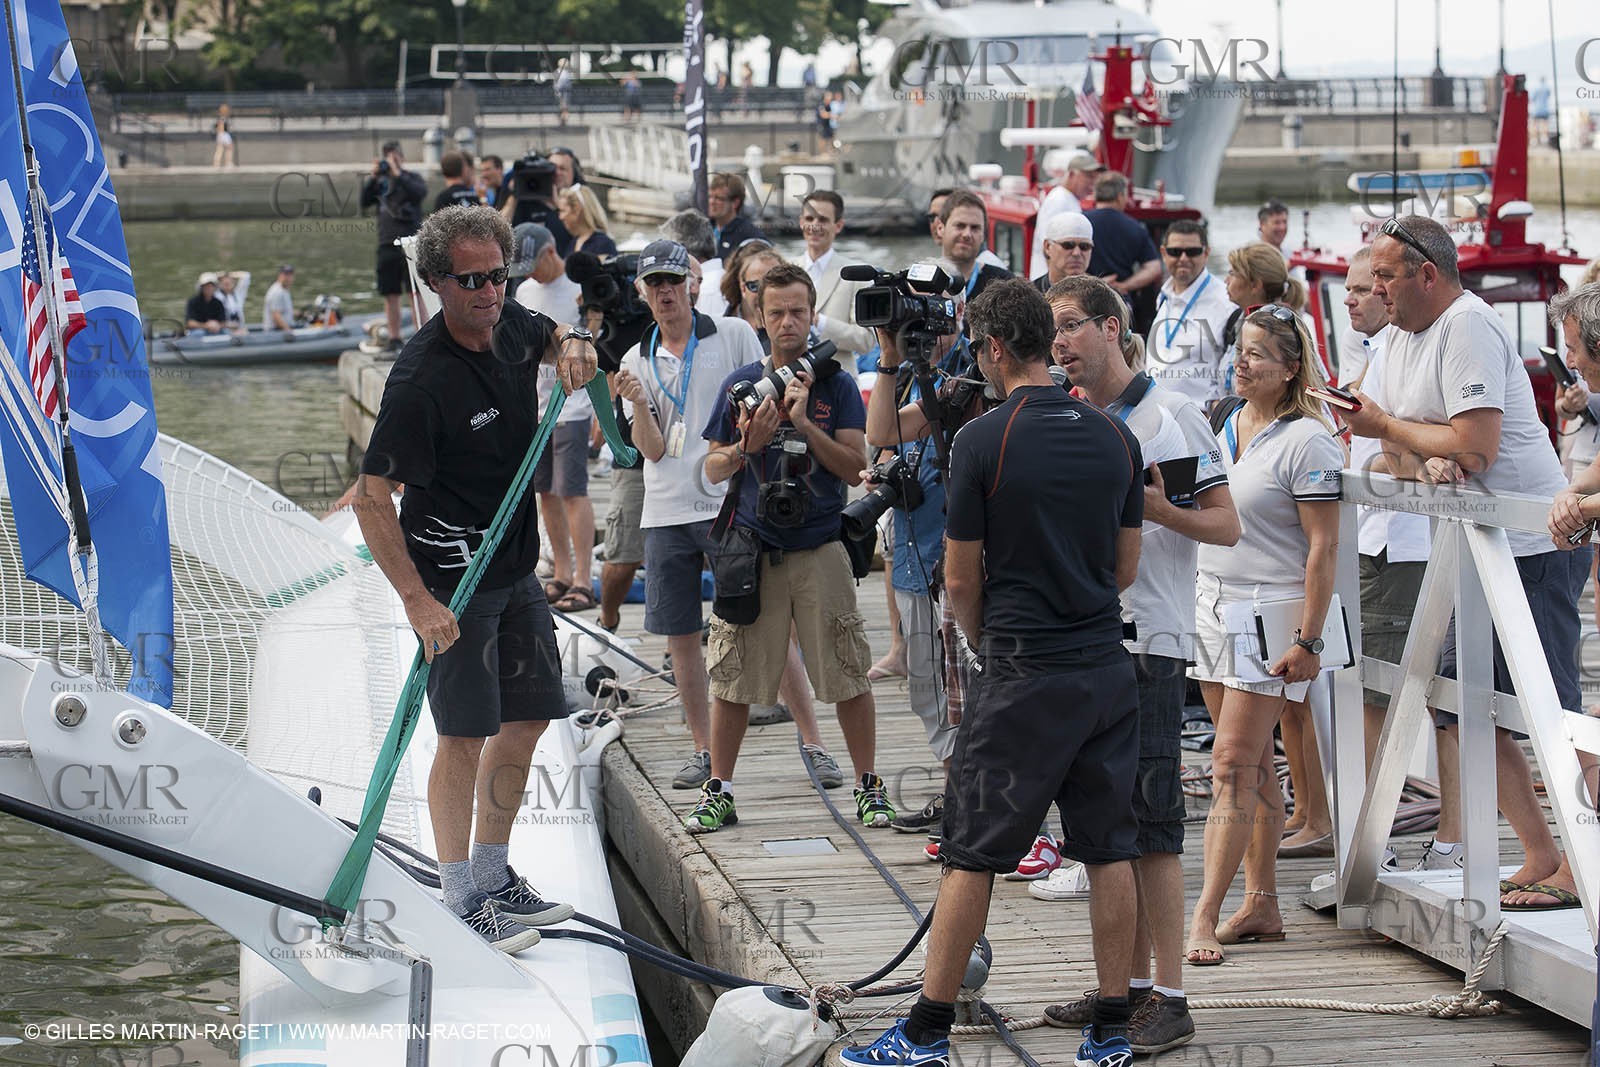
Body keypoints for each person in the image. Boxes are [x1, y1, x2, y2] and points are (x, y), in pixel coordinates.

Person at [841, 279, 1146, 1067]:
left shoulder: (982, 440)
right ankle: (1111, 1027)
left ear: (996, 348)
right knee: (1109, 849)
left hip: (1022, 669)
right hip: (1105, 668)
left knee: (971, 850)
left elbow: (963, 578)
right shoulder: (1116, 437)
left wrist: (984, 642)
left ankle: (926, 1030)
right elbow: (1126, 567)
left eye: (977, 348)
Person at [354, 204, 598, 952]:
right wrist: (418, 601)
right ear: (435, 284)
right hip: (454, 584)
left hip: (518, 567)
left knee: (525, 719)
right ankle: (458, 897)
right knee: (462, 737)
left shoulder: (512, 321)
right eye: (472, 280)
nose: (490, 290)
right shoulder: (421, 381)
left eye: (498, 274)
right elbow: (370, 498)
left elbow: (553, 334)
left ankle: (494, 875)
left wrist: (575, 342)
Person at [1344, 215, 1587, 912]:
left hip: (1535, 545)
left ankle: (1582, 858)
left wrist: (1395, 430)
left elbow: (1472, 446)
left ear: (1428, 273)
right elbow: (1396, 460)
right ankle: (1542, 853)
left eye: (1387, 275)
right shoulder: (1392, 339)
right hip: (1477, 548)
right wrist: (1415, 446)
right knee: (1458, 705)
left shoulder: (1468, 324)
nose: (1376, 290)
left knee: (1553, 713)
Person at [1041, 275, 1239, 1055]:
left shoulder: (1172, 415)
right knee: (1099, 819)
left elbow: (1224, 525)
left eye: (1069, 327)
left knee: (1154, 823)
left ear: (1112, 326)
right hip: (1086, 640)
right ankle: (1118, 984)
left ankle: (1173, 995)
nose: (1059, 344)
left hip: (1151, 642)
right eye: (1051, 332)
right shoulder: (1070, 414)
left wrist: (1157, 510)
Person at [695, 262, 890, 834]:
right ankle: (720, 790)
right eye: (776, 311)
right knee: (732, 677)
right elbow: (709, 469)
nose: (787, 321)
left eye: (798, 311)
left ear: (812, 314)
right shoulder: (739, 386)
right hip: (752, 550)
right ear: (758, 315)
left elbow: (858, 468)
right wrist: (744, 445)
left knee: (849, 670)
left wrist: (805, 425)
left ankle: (867, 786)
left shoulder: (836, 385)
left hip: (819, 545)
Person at [1184, 304, 1343, 967]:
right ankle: (1263, 901)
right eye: (1239, 351)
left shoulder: (1310, 439)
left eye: (1257, 354)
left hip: (1268, 612)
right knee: (1251, 770)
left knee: (1229, 765)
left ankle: (1202, 915)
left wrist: (1308, 640)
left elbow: (1323, 547)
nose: (1241, 362)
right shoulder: (1225, 421)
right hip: (1212, 601)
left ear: (1289, 367)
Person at [613, 241, 767, 790]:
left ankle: (813, 742)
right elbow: (651, 451)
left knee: (767, 620)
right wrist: (635, 402)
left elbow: (763, 407)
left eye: (673, 281)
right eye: (654, 283)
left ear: (692, 283)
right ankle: (703, 749)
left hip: (730, 502)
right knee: (680, 635)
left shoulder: (733, 334)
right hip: (665, 511)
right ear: (641, 291)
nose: (665, 292)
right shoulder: (636, 358)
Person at [863, 290, 973, 840]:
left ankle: (970, 802)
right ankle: (958, 795)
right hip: (913, 555)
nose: (926, 330)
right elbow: (883, 436)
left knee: (962, 687)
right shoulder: (913, 374)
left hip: (955, 563)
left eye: (937, 316)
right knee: (928, 688)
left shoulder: (972, 380)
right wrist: (888, 358)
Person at [512, 224, 597, 614]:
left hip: (575, 407)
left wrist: (601, 411)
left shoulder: (576, 290)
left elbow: (598, 346)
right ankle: (561, 571)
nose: (530, 274)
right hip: (537, 410)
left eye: (534, 264)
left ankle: (583, 576)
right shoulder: (526, 291)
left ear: (551, 253)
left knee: (573, 492)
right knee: (545, 491)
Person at [1145, 220, 1237, 411]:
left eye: (1192, 252)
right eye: (1175, 252)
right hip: (1156, 412)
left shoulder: (1226, 303)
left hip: (1200, 417)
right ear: (1163, 253)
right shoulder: (1163, 296)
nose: (1183, 258)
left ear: (1206, 253)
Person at [795, 191, 875, 377]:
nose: (814, 225)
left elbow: (866, 341)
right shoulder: (784, 268)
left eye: (822, 219)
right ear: (801, 222)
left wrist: (820, 323)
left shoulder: (856, 275)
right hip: (791, 380)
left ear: (838, 225)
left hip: (839, 380)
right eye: (809, 218)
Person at [361, 140, 427, 354]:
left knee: (415, 292)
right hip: (386, 242)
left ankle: (422, 336)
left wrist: (398, 173)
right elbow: (364, 202)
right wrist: (374, 176)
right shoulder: (381, 183)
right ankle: (394, 337)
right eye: (388, 157)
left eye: (394, 156)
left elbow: (419, 193)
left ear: (401, 157)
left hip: (410, 242)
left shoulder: (411, 179)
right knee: (390, 293)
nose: (391, 161)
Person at [1083, 173, 1163, 336]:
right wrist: (1125, 286)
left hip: (1084, 302)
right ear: (1120, 196)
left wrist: (1094, 282)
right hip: (1121, 305)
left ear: (1096, 194)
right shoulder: (1135, 228)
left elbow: (1064, 263)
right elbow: (1154, 268)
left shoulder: (1081, 223)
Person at [1029, 149, 1104, 274]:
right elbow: (1048, 244)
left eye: (1095, 178)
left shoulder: (1067, 199)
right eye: (1089, 176)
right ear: (1071, 174)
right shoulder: (1059, 201)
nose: (1093, 183)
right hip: (1051, 284)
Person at [937, 190, 1011, 304]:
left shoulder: (1005, 285)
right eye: (960, 226)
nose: (967, 234)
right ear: (940, 229)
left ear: (984, 235)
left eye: (975, 228)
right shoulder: (920, 282)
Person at [720, 243, 783, 333]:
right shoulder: (721, 329)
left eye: (775, 283)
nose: (764, 293)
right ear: (742, 285)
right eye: (755, 285)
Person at [708, 172, 766, 263]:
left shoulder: (750, 237)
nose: (711, 202)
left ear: (735, 203)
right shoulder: (702, 228)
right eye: (709, 196)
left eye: (718, 198)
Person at [1031, 212, 1096, 292]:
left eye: (1084, 246)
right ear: (1048, 247)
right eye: (1068, 245)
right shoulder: (1028, 297)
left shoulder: (1105, 298)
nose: (1076, 253)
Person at [557, 185, 617, 259]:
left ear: (576, 209)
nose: (560, 217)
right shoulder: (573, 243)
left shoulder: (603, 243)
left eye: (563, 211)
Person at [262, 264, 296, 334]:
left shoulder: (284, 290)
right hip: (275, 332)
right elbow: (276, 317)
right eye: (286, 275)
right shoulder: (277, 292)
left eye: (290, 275)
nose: (288, 278)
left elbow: (283, 310)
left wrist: (299, 314)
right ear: (280, 275)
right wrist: (290, 332)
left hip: (281, 330)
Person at [212, 104, 234, 168]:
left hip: (221, 135)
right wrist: (222, 136)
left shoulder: (221, 117)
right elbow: (220, 127)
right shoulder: (222, 118)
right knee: (226, 149)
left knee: (220, 149)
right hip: (223, 135)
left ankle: (217, 163)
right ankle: (227, 162)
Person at [554, 59, 573, 126]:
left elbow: (556, 84)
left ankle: (563, 120)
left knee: (563, 107)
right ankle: (564, 120)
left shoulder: (558, 71)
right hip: (563, 92)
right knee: (564, 107)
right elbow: (564, 84)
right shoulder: (564, 73)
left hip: (560, 92)